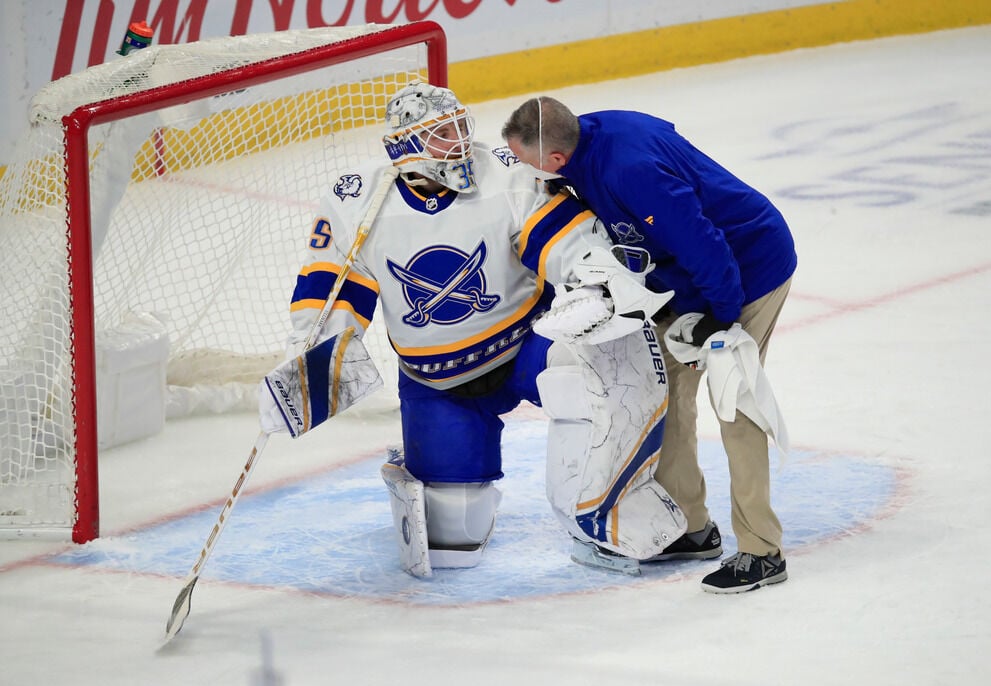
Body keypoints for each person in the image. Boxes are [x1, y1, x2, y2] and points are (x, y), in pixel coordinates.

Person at [261, 82, 687, 577]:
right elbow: (330, 292)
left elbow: (570, 240)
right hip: (435, 382)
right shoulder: (356, 202)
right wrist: (305, 361)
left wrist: (595, 282)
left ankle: (592, 515)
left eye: (462, 126)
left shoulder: (506, 176)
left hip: (526, 347)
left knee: (582, 373)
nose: (461, 142)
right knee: (452, 540)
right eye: (443, 134)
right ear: (406, 148)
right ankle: (420, 462)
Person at [501, 97, 797, 593]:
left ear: (554, 157)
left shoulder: (631, 171)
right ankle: (692, 526)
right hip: (690, 277)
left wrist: (721, 321)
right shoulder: (583, 137)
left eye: (527, 161)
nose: (524, 171)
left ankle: (761, 551)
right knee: (669, 393)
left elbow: (704, 243)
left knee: (735, 401)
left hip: (748, 269)